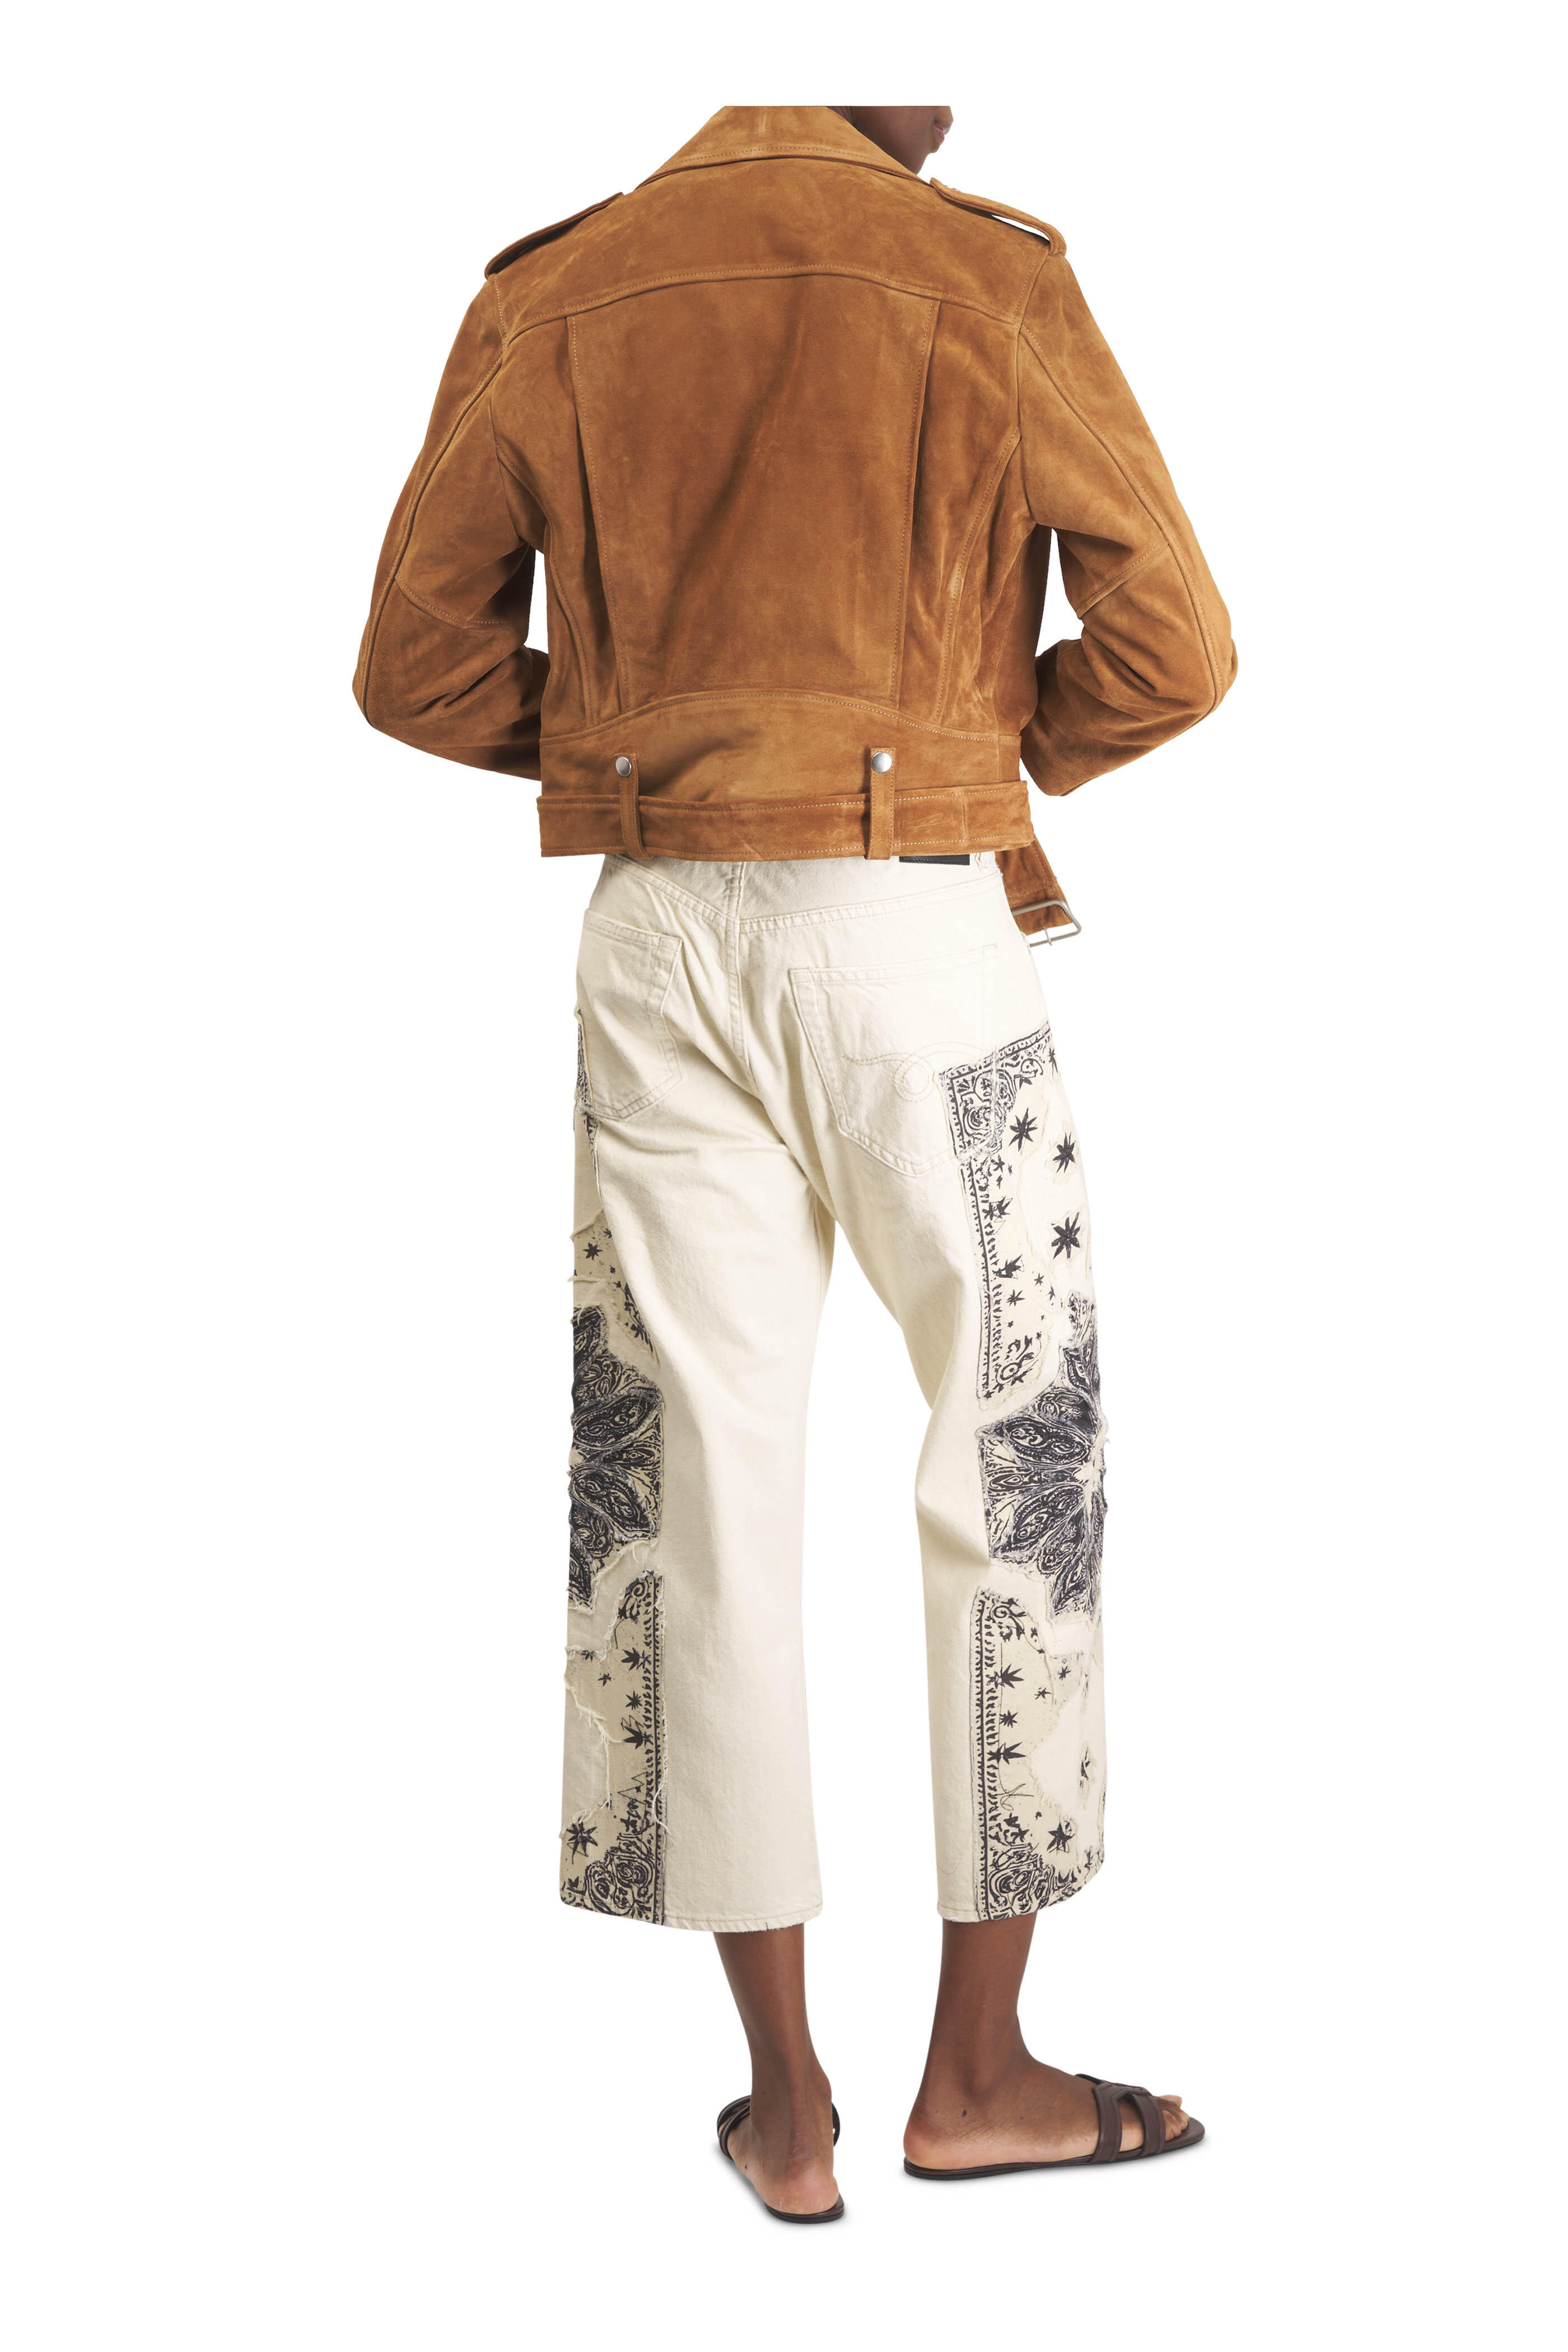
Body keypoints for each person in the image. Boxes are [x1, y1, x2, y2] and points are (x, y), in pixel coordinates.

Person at [354, 103, 1235, 2222]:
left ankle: (792, 2110)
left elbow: (415, 668)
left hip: (659, 936)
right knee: (1016, 1455)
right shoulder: (989, 274)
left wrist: (647, 750)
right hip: (918, 919)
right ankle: (983, 2077)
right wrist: (975, 752)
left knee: (689, 1489)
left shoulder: (559, 287)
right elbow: (1177, 650)